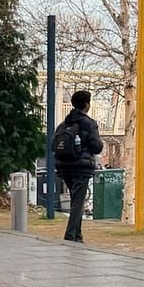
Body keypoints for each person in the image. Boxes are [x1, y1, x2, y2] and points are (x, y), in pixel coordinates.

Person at [55, 90, 104, 243]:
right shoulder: (89, 123)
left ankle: (78, 236)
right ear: (87, 105)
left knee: (77, 200)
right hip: (81, 168)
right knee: (77, 202)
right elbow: (97, 147)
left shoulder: (63, 124)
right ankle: (70, 235)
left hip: (64, 167)